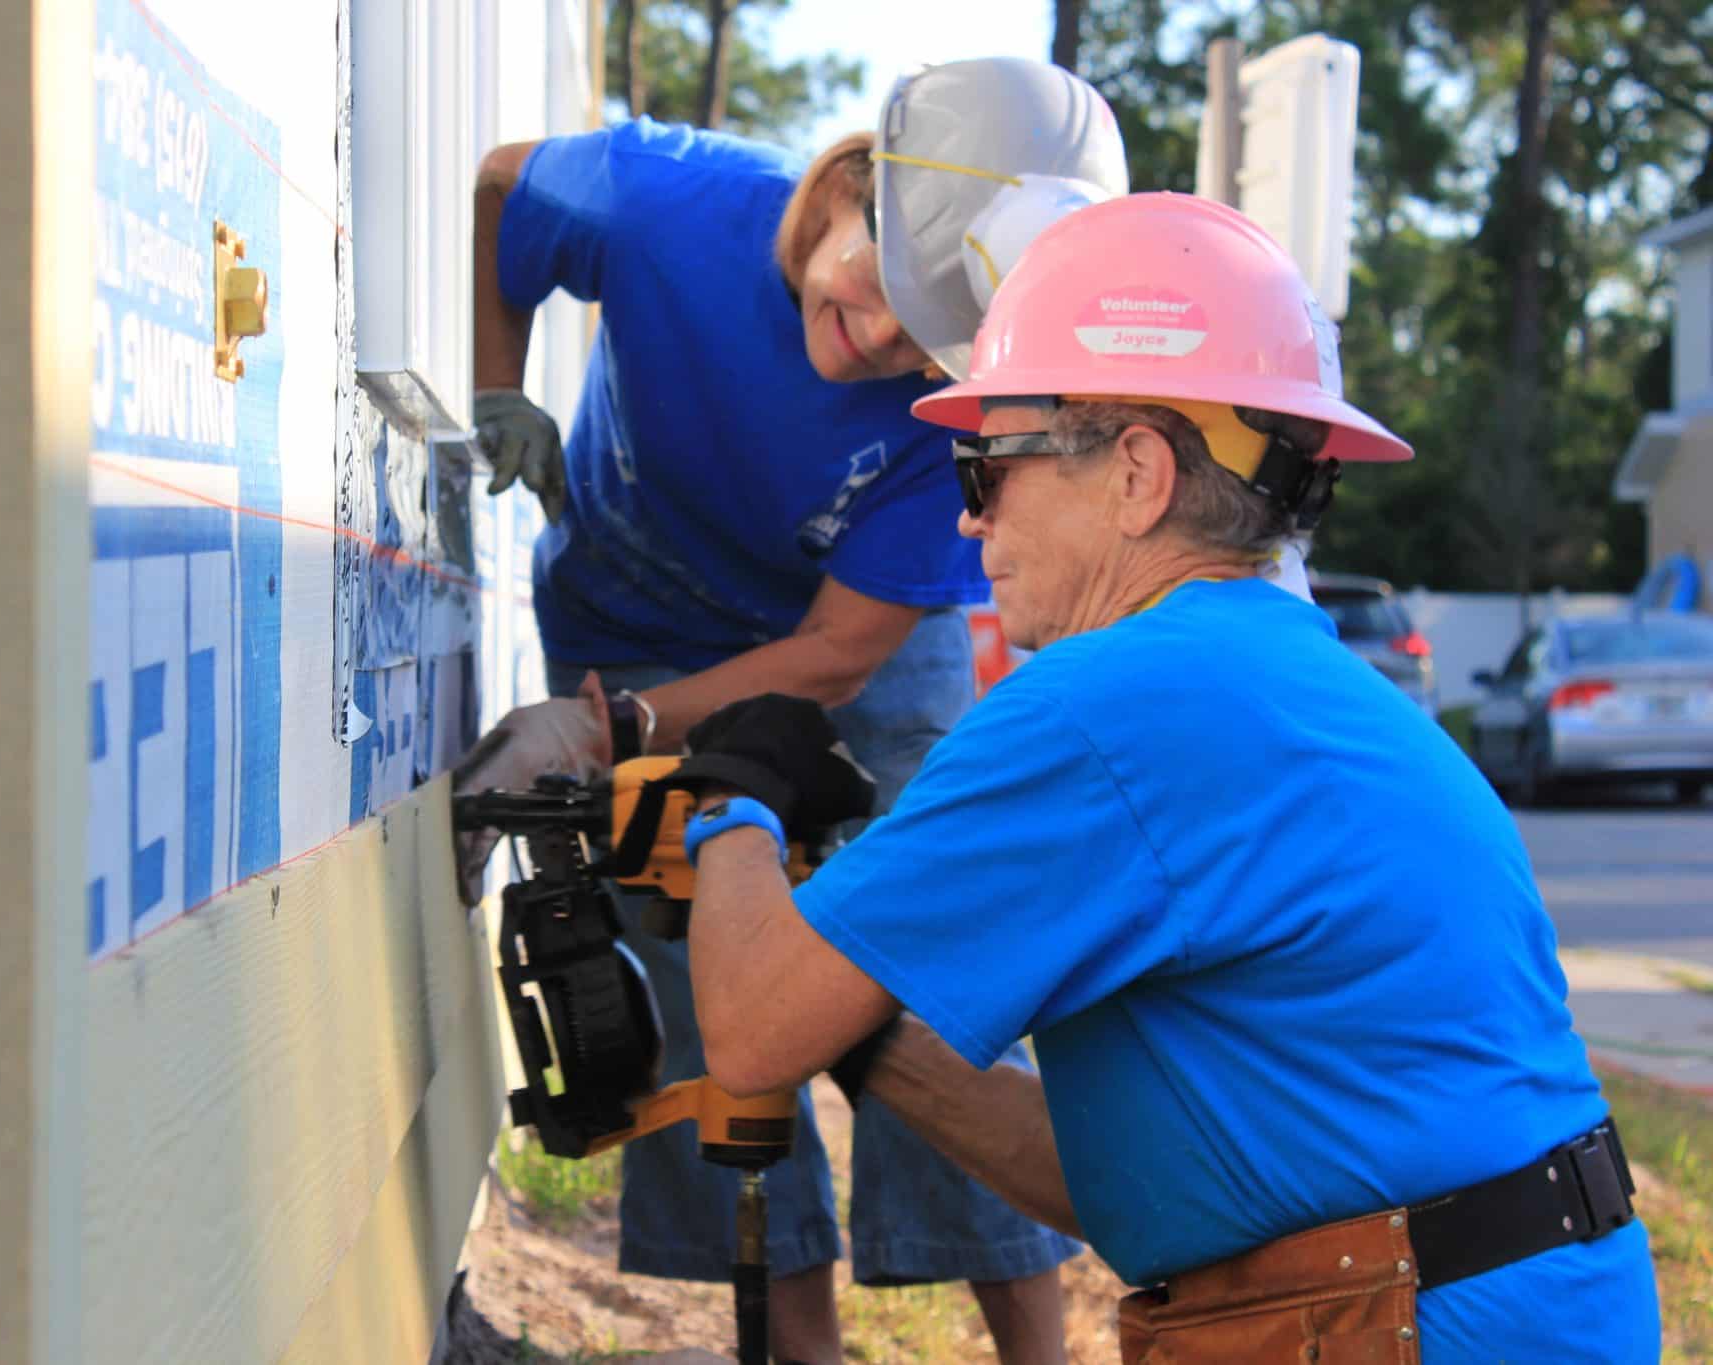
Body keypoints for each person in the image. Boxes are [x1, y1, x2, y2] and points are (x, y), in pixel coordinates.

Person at [672, 192, 1663, 1362]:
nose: (968, 525)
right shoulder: (1301, 686)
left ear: (1136, 473)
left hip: (1413, 1323)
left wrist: (733, 797)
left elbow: (749, 1034)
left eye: (983, 470)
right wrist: (862, 1016)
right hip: (1513, 1303)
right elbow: (1124, 1188)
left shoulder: (1110, 704)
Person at [459, 58, 1127, 1365]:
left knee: (931, 966)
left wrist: (601, 732)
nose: (878, 345)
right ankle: (799, 1348)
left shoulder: (952, 414)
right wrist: (497, 379)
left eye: (922, 342)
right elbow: (500, 188)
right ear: (840, 192)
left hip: (848, 638)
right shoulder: (667, 204)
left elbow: (832, 657)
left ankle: (1034, 1356)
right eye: (878, 291)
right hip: (630, 615)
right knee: (701, 992)